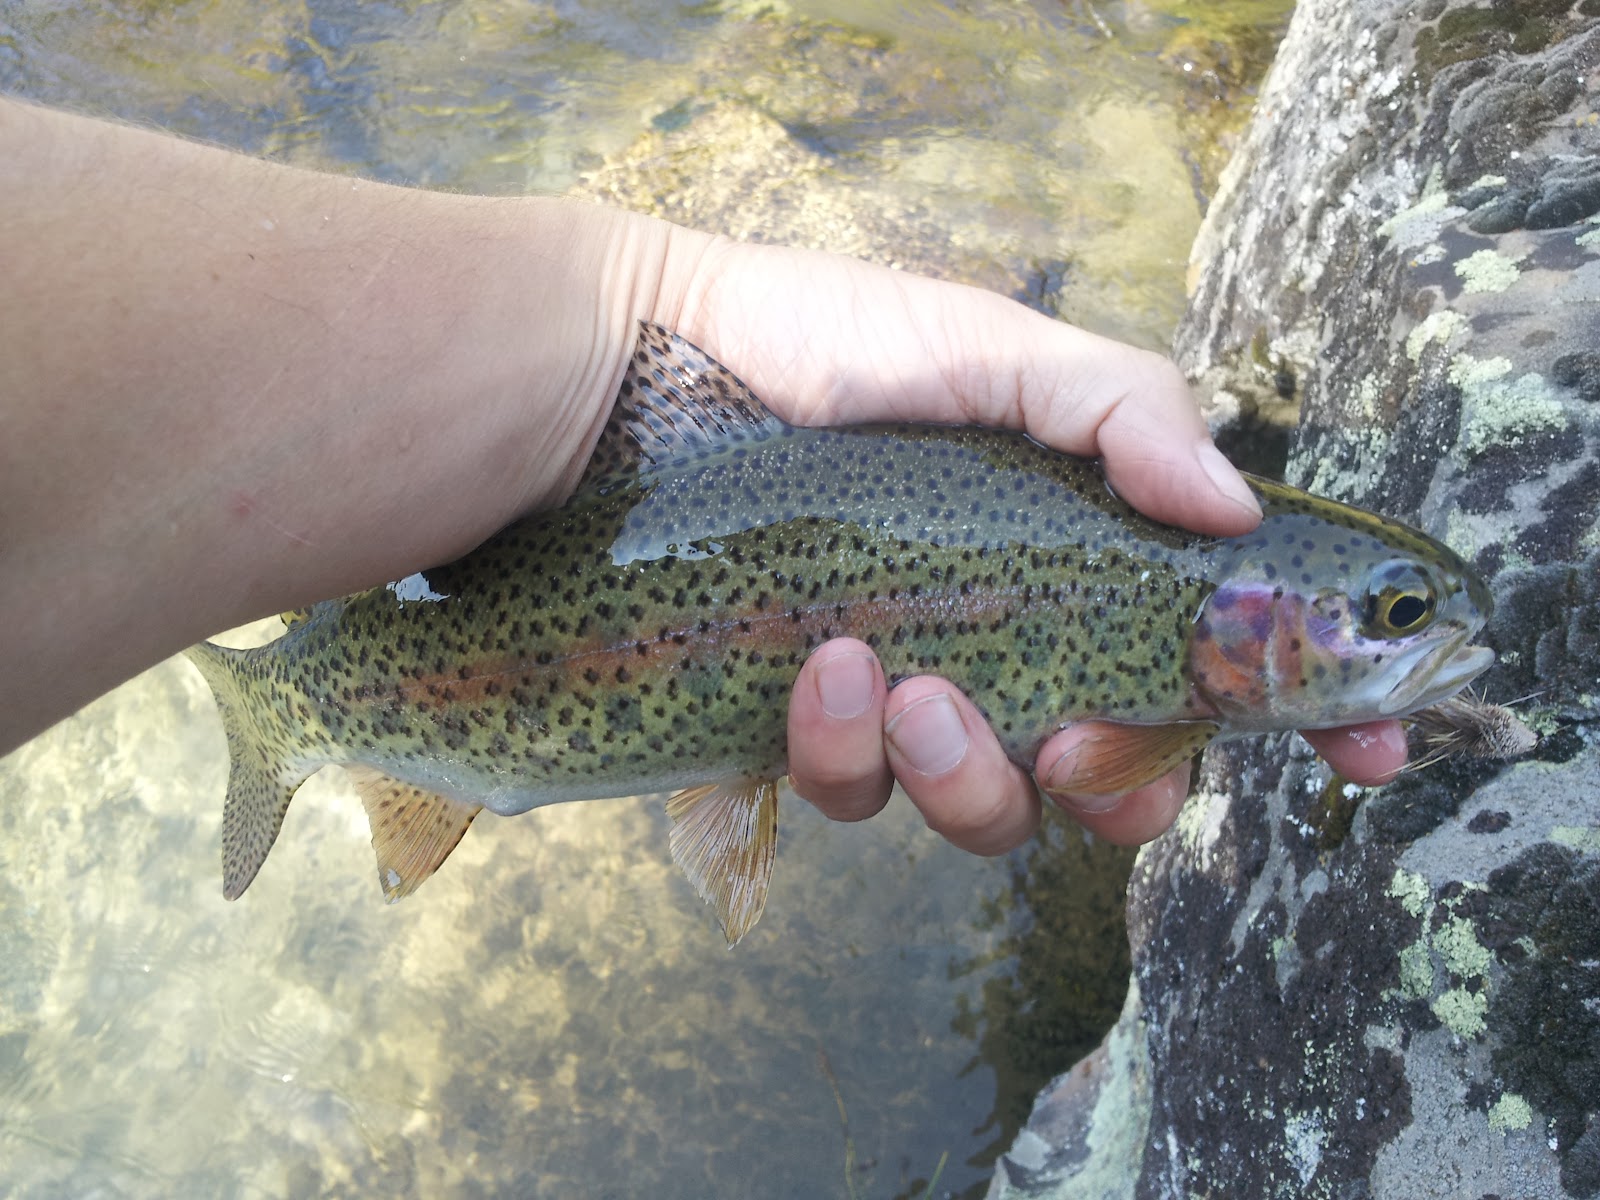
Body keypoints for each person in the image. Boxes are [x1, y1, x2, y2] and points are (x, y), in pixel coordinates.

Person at [0, 96, 1407, 855]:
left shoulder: (1170, 681)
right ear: (1256, 613)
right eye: (1390, 613)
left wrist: (628, 304)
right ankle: (284, 713)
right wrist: (623, 315)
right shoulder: (1180, 650)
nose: (1406, 638)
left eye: (1391, 614)